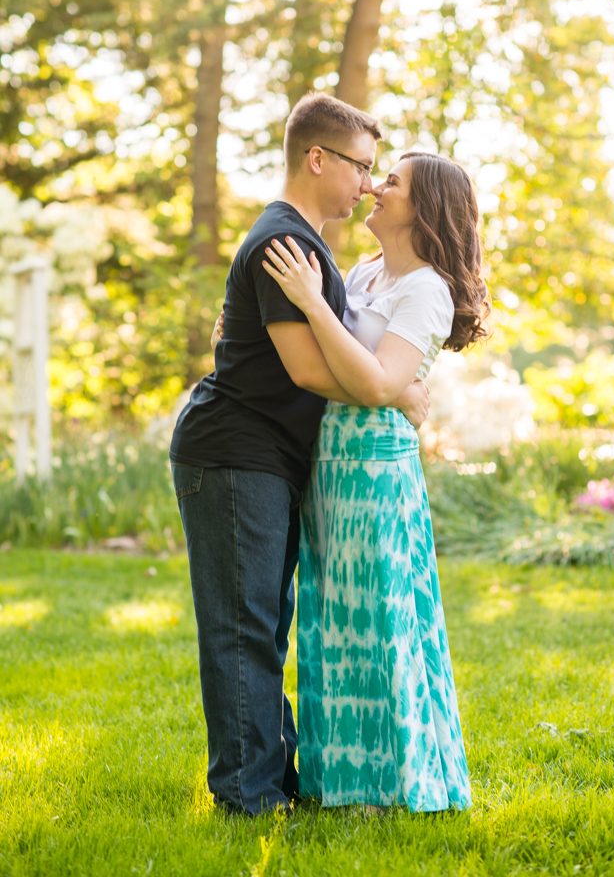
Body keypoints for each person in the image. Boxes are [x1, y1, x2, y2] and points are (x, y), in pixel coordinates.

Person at [169, 94, 430, 816]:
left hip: (262, 455)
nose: (369, 185)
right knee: (242, 625)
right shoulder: (286, 242)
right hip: (232, 453)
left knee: (262, 623)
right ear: (317, 158)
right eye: (360, 167)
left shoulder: (302, 241)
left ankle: (272, 777)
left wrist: (395, 386)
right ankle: (247, 796)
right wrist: (393, 394)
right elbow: (310, 370)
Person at [261, 151, 490, 812]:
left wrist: (312, 301)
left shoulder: (425, 289)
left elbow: (383, 381)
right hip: (324, 465)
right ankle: (338, 781)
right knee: (332, 626)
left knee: (380, 621)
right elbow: (350, 369)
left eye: (392, 182)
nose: (375, 187)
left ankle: (393, 785)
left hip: (374, 473)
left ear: (424, 208)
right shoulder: (361, 271)